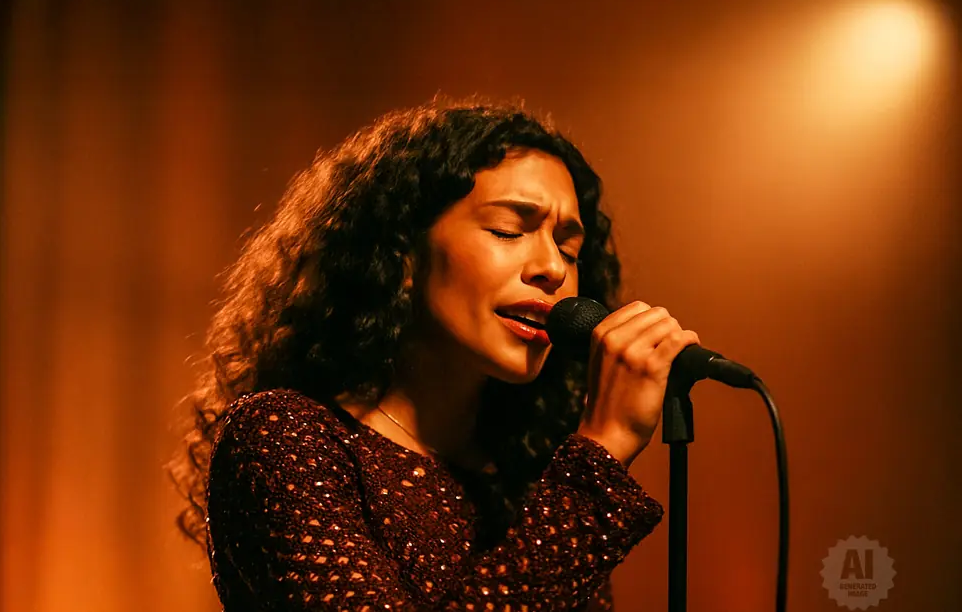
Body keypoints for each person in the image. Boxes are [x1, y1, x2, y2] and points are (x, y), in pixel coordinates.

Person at [169, 97, 701, 611]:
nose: (554, 270)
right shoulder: (286, 437)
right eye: (509, 230)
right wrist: (602, 453)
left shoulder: (528, 480)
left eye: (569, 248)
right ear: (400, 252)